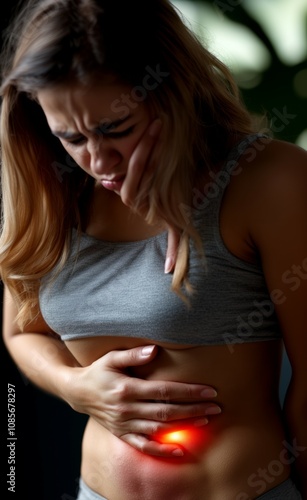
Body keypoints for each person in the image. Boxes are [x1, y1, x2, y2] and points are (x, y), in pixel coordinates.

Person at [0, 0, 306, 498]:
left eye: (115, 128)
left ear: (171, 90)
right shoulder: (49, 192)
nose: (97, 161)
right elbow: (20, 333)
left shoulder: (269, 180)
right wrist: (74, 387)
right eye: (71, 137)